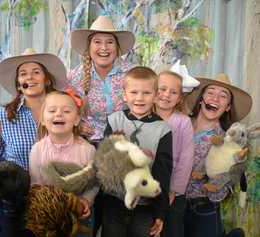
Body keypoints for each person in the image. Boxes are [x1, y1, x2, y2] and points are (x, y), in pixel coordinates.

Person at [102, 66, 173, 237]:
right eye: (134, 92)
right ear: (124, 94)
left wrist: (160, 213)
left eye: (146, 93)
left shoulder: (163, 129)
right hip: (114, 202)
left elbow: (163, 172)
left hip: (145, 206)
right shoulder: (114, 120)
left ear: (156, 96)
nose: (139, 98)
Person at [184, 73, 252, 237]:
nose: (215, 98)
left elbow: (220, 192)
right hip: (172, 205)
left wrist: (226, 176)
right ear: (201, 99)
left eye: (223, 96)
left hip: (203, 207)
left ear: (228, 106)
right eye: (211, 92)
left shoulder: (228, 142)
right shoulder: (180, 122)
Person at [28, 90, 97, 231]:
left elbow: (94, 184)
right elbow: (35, 183)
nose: (58, 114)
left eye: (66, 111)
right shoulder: (37, 150)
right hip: (49, 217)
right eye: (52, 110)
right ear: (42, 119)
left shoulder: (88, 150)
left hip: (79, 214)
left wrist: (86, 201)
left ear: (77, 119)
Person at [0, 48, 67, 170]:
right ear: (18, 85)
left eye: (36, 72)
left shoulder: (64, 112)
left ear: (47, 80)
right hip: (18, 186)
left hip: (59, 186)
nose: (30, 77)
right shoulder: (2, 116)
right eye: (23, 74)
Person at [67, 15, 135, 144]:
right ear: (89, 47)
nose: (104, 48)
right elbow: (63, 109)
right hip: (89, 142)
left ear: (117, 48)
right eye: (97, 42)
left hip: (127, 142)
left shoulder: (132, 74)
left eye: (110, 42)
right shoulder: (74, 77)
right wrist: (76, 124)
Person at [154, 61, 199, 237]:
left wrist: (173, 189)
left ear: (180, 98)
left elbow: (186, 159)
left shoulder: (183, 122)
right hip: (148, 188)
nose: (166, 95)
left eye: (173, 92)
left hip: (173, 190)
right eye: (162, 89)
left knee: (173, 229)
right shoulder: (144, 117)